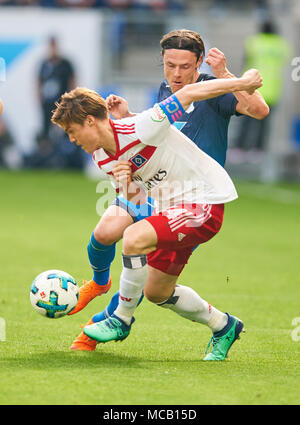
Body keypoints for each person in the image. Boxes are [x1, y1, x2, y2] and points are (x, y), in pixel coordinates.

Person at [65, 29, 269, 352]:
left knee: (137, 250)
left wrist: (231, 76)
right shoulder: (163, 91)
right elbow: (154, 132)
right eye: (169, 65)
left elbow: (259, 110)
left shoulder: (210, 90)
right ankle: (222, 325)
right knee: (144, 275)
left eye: (185, 66)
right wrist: (125, 122)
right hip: (158, 191)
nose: (176, 74)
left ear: (199, 63)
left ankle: (102, 327)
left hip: (198, 197)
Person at [233, 19, 291, 155]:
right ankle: (258, 149)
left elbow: (245, 61)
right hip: (273, 90)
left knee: (246, 120)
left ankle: (240, 148)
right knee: (264, 123)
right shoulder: (281, 45)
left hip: (253, 88)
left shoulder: (254, 42)